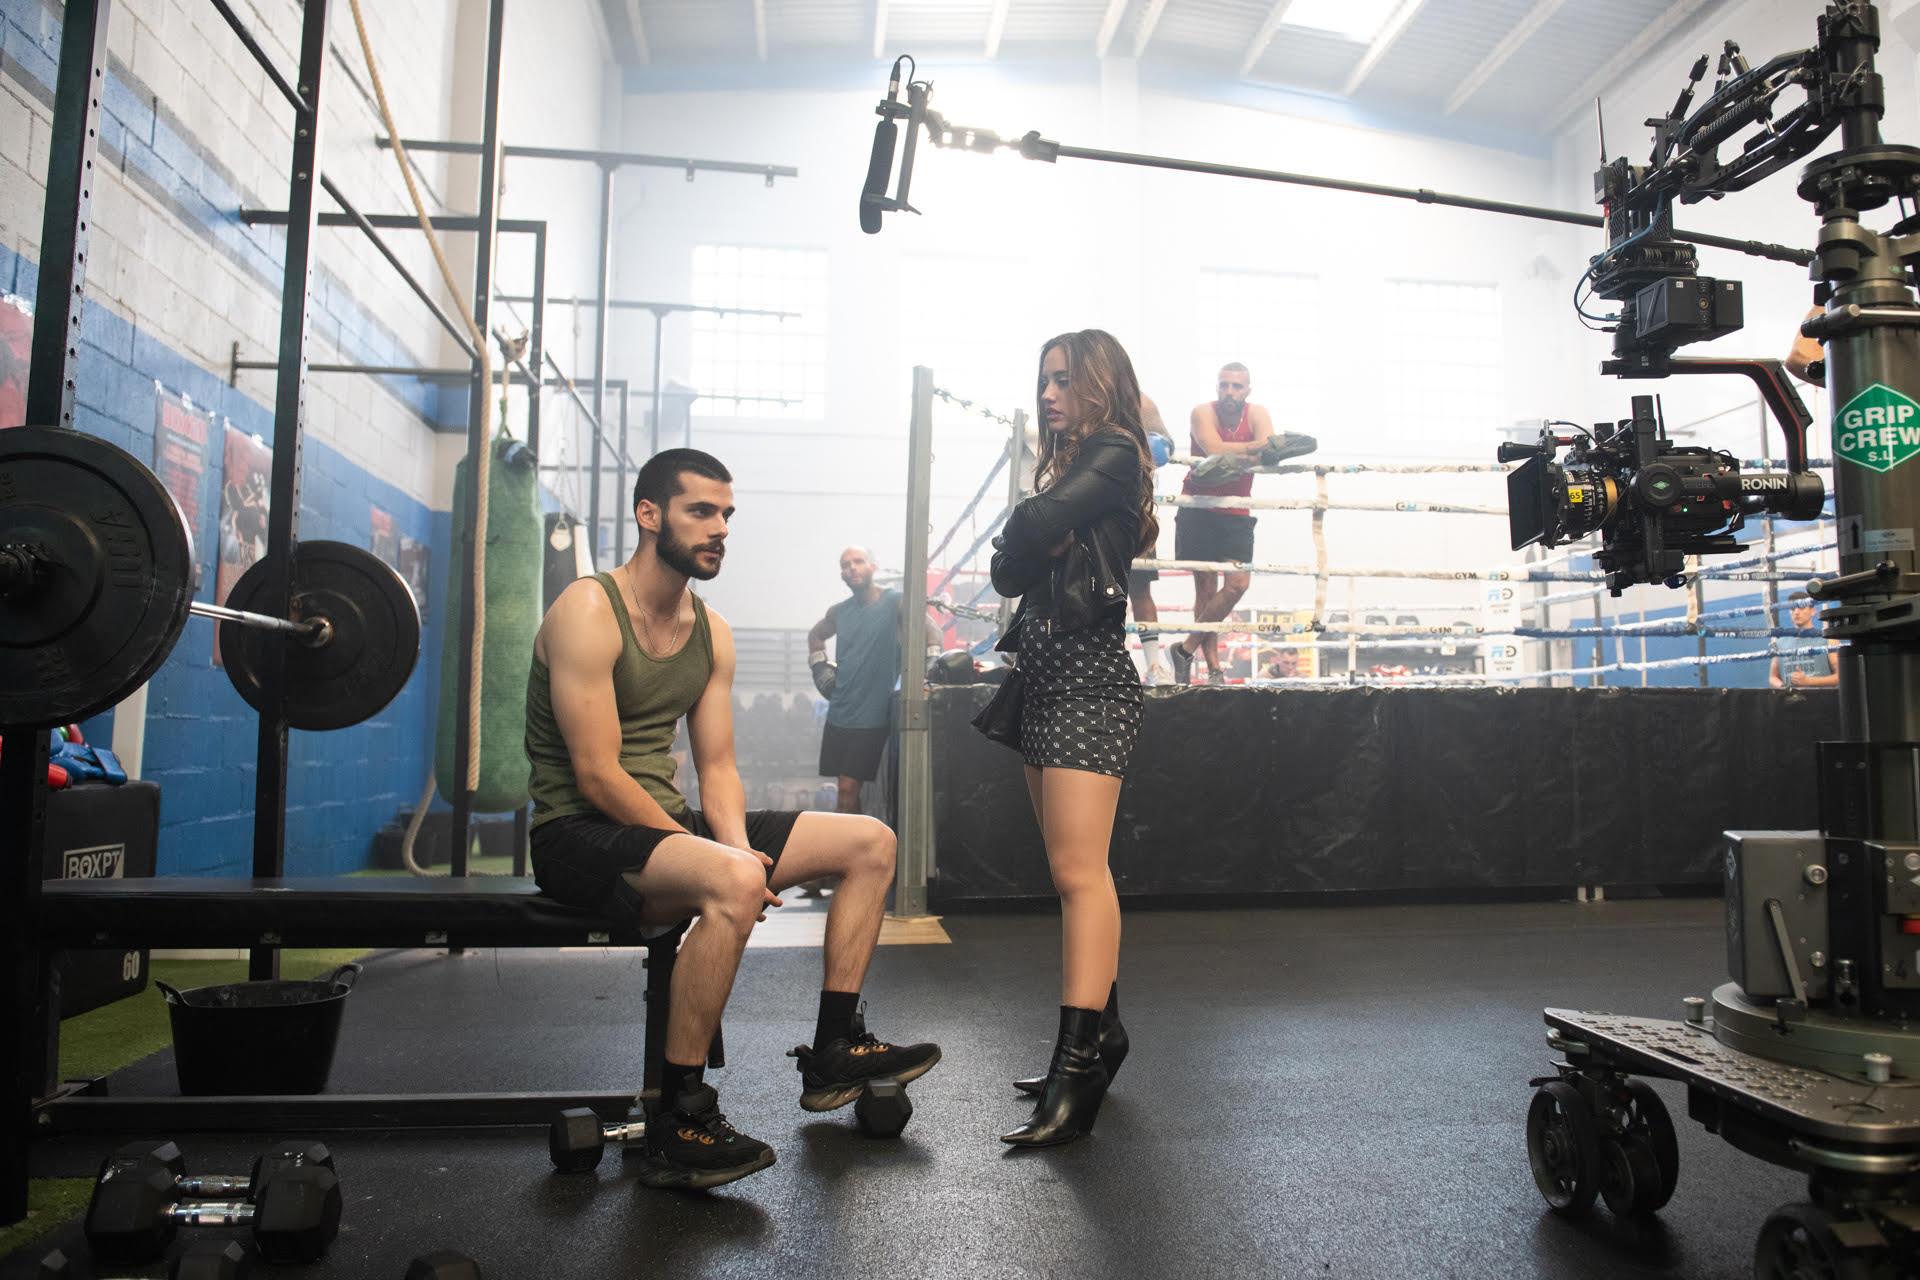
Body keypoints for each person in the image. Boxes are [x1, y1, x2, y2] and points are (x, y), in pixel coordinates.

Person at [523, 448, 940, 1189]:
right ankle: (679, 1115)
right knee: (731, 882)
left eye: (726, 515)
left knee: (870, 843)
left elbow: (716, 765)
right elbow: (596, 773)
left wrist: (738, 847)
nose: (720, 529)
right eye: (701, 512)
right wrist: (718, 859)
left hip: (664, 823)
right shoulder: (588, 609)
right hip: (577, 833)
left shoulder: (711, 630)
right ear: (649, 515)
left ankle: (835, 1046)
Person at [983, 329, 1158, 1147]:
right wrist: (1031, 530)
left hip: (1087, 671)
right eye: (1043, 381)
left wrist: (1031, 524)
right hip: (1042, 675)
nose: (1047, 395)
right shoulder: (1070, 468)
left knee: (1080, 874)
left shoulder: (1117, 450)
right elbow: (1006, 572)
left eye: (1062, 381)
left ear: (1097, 386)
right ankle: (1104, 1034)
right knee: (1067, 876)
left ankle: (1076, 1073)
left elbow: (1031, 529)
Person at [1168, 363, 1295, 684]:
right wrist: (1256, 450)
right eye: (1224, 385)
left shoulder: (1257, 413)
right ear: (1217, 388)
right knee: (1206, 589)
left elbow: (1253, 451)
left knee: (1238, 584)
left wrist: (1240, 452)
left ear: (1247, 390)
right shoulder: (1202, 412)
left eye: (1236, 386)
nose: (1229, 392)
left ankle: (1184, 649)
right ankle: (1213, 669)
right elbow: (1215, 450)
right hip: (1199, 506)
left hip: (1236, 511)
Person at [804, 546, 902, 893]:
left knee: (847, 789)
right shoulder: (840, 611)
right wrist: (820, 666)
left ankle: (839, 867)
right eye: (845, 565)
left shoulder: (894, 602)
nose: (851, 568)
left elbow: (930, 631)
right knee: (844, 793)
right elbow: (815, 635)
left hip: (872, 714)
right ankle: (847, 866)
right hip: (841, 709)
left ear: (873, 566)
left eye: (858, 562)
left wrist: (927, 670)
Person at [1128, 395, 1176, 685]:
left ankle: (1154, 665)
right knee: (1101, 592)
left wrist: (1155, 444)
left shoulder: (1141, 403)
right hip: (1094, 506)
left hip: (1135, 510)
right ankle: (1108, 660)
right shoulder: (1087, 398)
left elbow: (1164, 445)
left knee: (1140, 590)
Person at [1771, 591, 1840, 690]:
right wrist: (1785, 688)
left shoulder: (1828, 639)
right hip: (1790, 703)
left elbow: (1840, 676)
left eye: (1802, 607)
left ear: (1813, 611)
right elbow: (1773, 677)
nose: (1796, 612)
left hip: (1821, 702)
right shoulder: (1779, 643)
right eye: (1792, 608)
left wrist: (1809, 681)